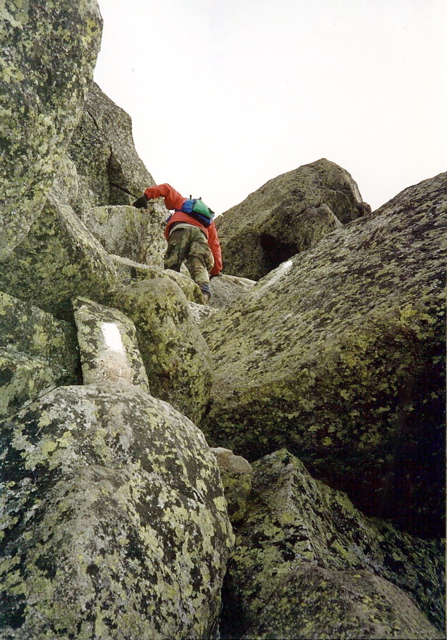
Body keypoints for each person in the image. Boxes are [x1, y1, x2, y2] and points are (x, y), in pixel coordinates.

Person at [133, 183, 222, 303]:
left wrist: (146, 197)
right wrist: (216, 270)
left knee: (173, 262)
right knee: (199, 262)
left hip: (181, 228)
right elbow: (214, 245)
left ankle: (171, 292)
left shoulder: (182, 201)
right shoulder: (208, 221)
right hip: (200, 234)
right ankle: (204, 292)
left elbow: (166, 188)